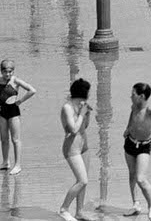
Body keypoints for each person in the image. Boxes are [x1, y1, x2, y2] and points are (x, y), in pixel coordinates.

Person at [0, 59, 36, 175]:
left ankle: (18, 165)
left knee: (15, 139)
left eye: (10, 72)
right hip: (2, 111)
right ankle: (5, 162)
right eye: (5, 72)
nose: (8, 74)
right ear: (1, 71)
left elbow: (32, 90)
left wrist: (20, 101)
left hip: (13, 111)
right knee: (4, 138)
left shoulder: (16, 81)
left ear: (13, 71)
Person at [123, 82, 151, 218]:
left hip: (144, 145)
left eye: (133, 94)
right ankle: (136, 204)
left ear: (142, 96)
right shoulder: (135, 105)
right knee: (132, 174)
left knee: (141, 178)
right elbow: (132, 115)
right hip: (130, 142)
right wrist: (127, 128)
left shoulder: (150, 109)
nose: (130, 96)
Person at [60, 78, 93, 221]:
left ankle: (79, 211)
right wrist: (81, 113)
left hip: (83, 147)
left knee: (83, 181)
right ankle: (64, 209)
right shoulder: (67, 107)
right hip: (71, 149)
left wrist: (87, 113)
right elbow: (73, 129)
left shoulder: (82, 106)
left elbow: (84, 127)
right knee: (82, 180)